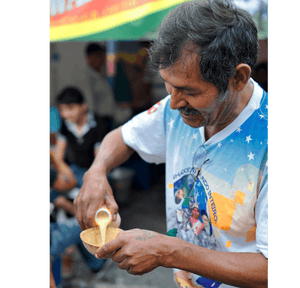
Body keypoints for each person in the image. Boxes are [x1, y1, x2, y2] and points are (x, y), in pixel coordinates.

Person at [73, 1, 269, 287]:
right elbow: (123, 136)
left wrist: (168, 250)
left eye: (189, 91)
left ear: (238, 78)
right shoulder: (176, 108)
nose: (174, 103)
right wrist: (96, 171)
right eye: (168, 84)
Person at [54, 86, 110, 188]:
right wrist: (66, 171)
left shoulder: (99, 124)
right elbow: (58, 154)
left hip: (96, 170)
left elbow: (100, 160)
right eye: (62, 110)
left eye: (70, 109)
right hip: (75, 169)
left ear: (83, 106)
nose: (65, 114)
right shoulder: (66, 124)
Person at [82, 43, 131, 127]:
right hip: (99, 121)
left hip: (114, 118)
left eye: (101, 55)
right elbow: (90, 105)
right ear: (89, 58)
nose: (101, 59)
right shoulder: (86, 78)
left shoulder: (106, 73)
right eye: (97, 56)